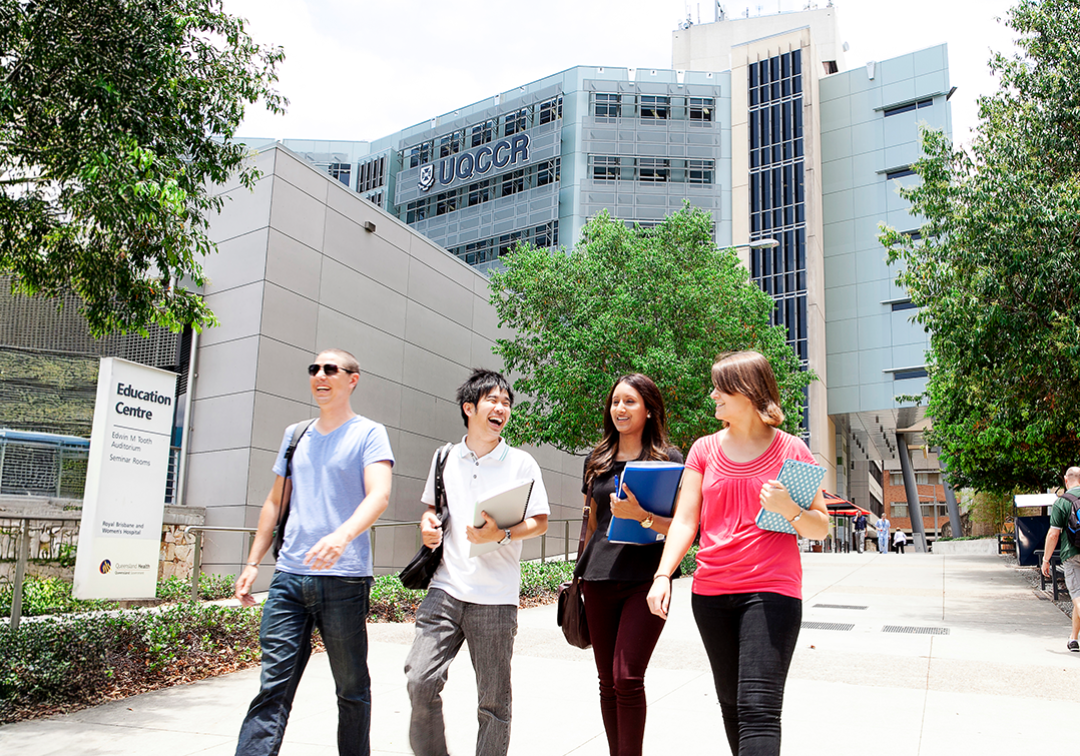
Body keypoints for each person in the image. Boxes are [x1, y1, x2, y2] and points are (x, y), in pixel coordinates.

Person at [646, 351, 829, 756]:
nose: (712, 395)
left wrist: (791, 510)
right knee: (732, 705)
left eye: (720, 387)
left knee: (758, 708)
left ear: (745, 391)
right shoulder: (704, 450)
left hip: (772, 591)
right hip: (711, 594)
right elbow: (685, 520)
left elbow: (821, 526)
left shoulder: (791, 450)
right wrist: (663, 574)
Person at [233, 349, 394, 756]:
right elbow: (275, 503)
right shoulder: (296, 434)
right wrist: (253, 563)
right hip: (288, 578)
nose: (320, 376)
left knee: (352, 688)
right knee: (273, 687)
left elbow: (379, 495)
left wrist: (342, 536)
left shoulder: (369, 433)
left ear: (352, 379)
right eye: (314, 369)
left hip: (344, 579)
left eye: (330, 369)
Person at [405, 368, 550, 756]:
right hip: (445, 587)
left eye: (506, 402)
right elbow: (431, 510)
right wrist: (428, 527)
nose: (501, 408)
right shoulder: (444, 457)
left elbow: (539, 522)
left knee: (493, 703)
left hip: (495, 597)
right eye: (493, 400)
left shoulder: (522, 463)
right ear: (469, 407)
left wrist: (499, 534)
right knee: (420, 680)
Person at [579, 374, 683, 756]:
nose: (619, 409)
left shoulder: (670, 461)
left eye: (630, 402)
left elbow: (684, 527)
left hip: (647, 579)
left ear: (650, 409)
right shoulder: (597, 460)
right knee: (607, 681)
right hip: (599, 578)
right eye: (615, 402)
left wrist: (641, 516)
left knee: (628, 676)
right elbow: (591, 524)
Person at [1041, 466, 1080, 652]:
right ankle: (1073, 638)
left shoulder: (1061, 503)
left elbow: (1053, 535)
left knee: (1078, 597)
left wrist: (1046, 560)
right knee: (1077, 599)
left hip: (1072, 555)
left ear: (1066, 480)